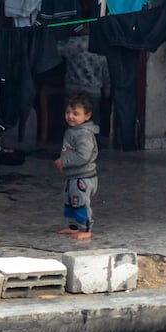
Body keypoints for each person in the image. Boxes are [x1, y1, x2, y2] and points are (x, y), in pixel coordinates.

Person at [54, 91, 99, 241]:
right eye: (68, 112)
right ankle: (74, 227)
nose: (70, 116)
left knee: (80, 204)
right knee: (70, 202)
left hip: (83, 178)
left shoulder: (84, 134)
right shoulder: (73, 131)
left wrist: (64, 162)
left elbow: (83, 156)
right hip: (73, 176)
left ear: (87, 116)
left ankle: (86, 229)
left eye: (75, 113)